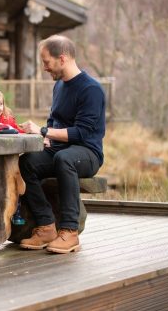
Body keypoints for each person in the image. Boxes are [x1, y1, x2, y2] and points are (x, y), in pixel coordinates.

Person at [18, 35, 106, 254]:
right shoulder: (59, 86)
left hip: (87, 153)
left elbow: (82, 133)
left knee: (64, 159)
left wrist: (44, 131)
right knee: (26, 162)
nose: (45, 68)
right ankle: (46, 226)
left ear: (62, 59)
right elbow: (54, 119)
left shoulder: (91, 90)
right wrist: (45, 138)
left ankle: (70, 232)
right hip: (60, 149)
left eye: (47, 62)